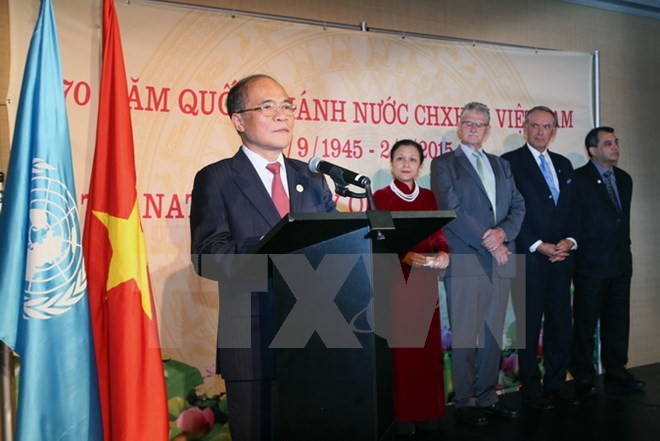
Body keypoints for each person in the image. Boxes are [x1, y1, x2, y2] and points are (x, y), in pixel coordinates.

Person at [189, 74, 336, 441]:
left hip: (315, 334)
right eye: (267, 106)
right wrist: (274, 244)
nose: (282, 115)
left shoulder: (313, 179)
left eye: (287, 105)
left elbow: (335, 245)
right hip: (252, 337)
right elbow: (208, 255)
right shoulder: (217, 178)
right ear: (239, 120)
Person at [430, 102, 525, 426]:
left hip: (500, 259)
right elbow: (451, 208)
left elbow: (517, 204)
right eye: (468, 122)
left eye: (480, 123)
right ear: (459, 126)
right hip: (467, 258)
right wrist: (490, 240)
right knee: (466, 335)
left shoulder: (501, 165)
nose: (474, 127)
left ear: (487, 129)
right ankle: (466, 402)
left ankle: (487, 397)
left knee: (492, 334)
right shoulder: (443, 164)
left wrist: (503, 234)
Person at [501, 106, 578, 410]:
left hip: (561, 260)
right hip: (529, 259)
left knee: (561, 326)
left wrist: (569, 242)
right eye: (534, 125)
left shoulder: (563, 163)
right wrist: (537, 244)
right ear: (524, 127)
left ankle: (557, 386)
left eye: (547, 127)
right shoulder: (509, 163)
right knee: (528, 328)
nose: (540, 131)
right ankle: (531, 390)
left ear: (554, 130)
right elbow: (510, 211)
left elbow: (574, 209)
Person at [373, 139, 449, 436]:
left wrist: (444, 254)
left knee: (427, 350)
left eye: (413, 159)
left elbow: (438, 235)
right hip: (395, 280)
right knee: (402, 351)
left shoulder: (429, 197)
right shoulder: (380, 196)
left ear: (421, 165)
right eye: (400, 158)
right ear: (391, 163)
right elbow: (378, 240)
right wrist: (403, 256)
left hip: (425, 281)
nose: (406, 164)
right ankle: (402, 414)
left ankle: (429, 411)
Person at [569, 126, 645, 397]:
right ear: (592, 150)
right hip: (591, 265)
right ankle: (583, 375)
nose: (615, 147)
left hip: (621, 263)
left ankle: (616, 370)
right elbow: (575, 222)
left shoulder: (624, 179)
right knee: (586, 323)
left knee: (618, 321)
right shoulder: (578, 179)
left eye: (616, 142)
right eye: (608, 143)